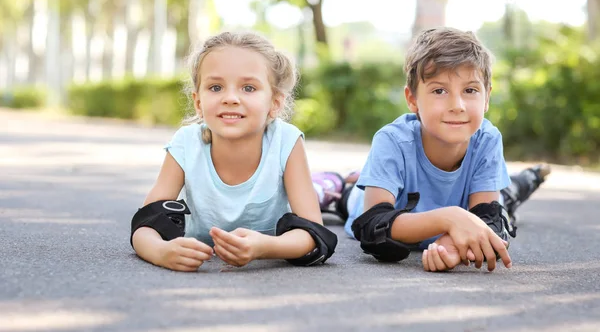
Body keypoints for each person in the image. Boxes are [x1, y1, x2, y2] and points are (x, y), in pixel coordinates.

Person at [314, 27, 550, 273]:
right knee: (351, 197)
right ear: (412, 99)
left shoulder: (487, 139)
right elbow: (373, 223)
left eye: (470, 90)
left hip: (463, 205)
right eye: (439, 91)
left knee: (501, 207)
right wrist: (449, 218)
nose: (457, 106)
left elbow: (486, 220)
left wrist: (451, 246)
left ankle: (524, 181)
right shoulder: (392, 141)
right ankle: (341, 182)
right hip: (369, 201)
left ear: (487, 97)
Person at [130, 31, 337, 272]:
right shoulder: (186, 143)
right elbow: (145, 225)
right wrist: (161, 252)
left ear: (275, 103)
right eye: (216, 87)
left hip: (271, 240)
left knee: (317, 194)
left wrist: (265, 247)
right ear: (198, 102)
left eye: (248, 88)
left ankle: (331, 185)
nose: (230, 98)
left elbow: (314, 233)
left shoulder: (286, 141)